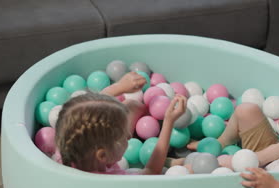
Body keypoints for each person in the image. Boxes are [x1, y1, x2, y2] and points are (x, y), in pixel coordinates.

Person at [55, 72, 187, 175]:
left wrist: (120, 87)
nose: (129, 136)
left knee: (130, 106)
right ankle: (171, 161)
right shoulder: (116, 179)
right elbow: (152, 171)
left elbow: (84, 113)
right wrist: (168, 121)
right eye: (123, 137)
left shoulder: (67, 147)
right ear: (103, 155)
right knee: (189, 168)